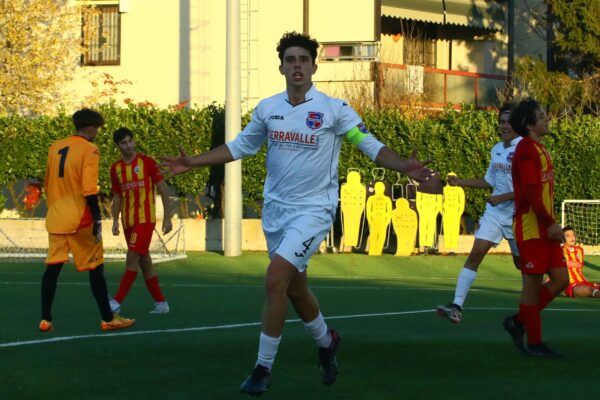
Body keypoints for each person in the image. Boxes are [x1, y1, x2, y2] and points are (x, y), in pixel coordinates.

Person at [159, 31, 435, 395]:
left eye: (303, 60)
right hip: (276, 212)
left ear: (314, 66)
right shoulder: (268, 109)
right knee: (295, 289)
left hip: (314, 211)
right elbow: (242, 146)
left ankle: (262, 369)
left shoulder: (334, 111)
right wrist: (194, 162)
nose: (297, 66)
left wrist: (404, 167)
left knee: (275, 280)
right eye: (290, 60)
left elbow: (367, 145)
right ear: (281, 68)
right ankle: (326, 342)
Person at [40, 109, 135, 332]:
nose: (97, 134)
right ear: (91, 128)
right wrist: (97, 218)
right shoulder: (90, 149)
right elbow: (89, 188)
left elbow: (47, 183)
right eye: (98, 129)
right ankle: (108, 318)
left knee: (52, 269)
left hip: (56, 217)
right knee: (96, 268)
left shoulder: (54, 147)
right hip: (80, 218)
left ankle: (45, 319)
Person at [437, 104, 521, 323]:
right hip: (494, 213)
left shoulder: (525, 148)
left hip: (517, 215)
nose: (504, 126)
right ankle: (456, 306)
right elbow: (488, 181)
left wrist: (502, 198)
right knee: (475, 254)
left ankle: (540, 293)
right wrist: (460, 182)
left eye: (508, 122)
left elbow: (528, 188)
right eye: (501, 121)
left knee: (521, 264)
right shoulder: (496, 149)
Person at [502, 98, 569, 358]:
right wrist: (550, 223)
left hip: (545, 229)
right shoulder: (527, 150)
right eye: (541, 116)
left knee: (562, 280)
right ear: (530, 125)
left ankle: (518, 321)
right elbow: (530, 192)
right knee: (531, 288)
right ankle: (535, 343)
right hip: (532, 230)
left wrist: (550, 224)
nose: (546, 118)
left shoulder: (539, 148)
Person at [108, 127, 173, 315]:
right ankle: (161, 303)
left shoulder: (147, 162)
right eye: (123, 143)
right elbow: (117, 197)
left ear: (133, 141)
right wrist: (115, 220)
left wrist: (167, 217)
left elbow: (162, 188)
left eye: (130, 141)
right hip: (128, 221)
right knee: (145, 263)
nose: (128, 145)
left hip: (145, 221)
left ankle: (116, 302)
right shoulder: (116, 169)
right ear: (118, 146)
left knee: (132, 258)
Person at [562, 226, 600, 298]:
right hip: (572, 285)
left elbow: (579, 270)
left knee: (594, 288)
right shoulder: (559, 251)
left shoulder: (580, 250)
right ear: (562, 238)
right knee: (591, 290)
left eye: (573, 235)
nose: (572, 237)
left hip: (583, 282)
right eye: (568, 236)